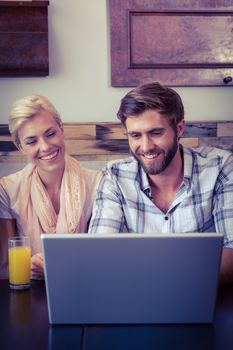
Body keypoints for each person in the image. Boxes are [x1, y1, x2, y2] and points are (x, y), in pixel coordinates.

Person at [88, 81, 233, 285]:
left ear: (179, 128)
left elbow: (231, 251)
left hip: (206, 301)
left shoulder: (220, 167)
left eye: (156, 133)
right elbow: (99, 253)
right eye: (135, 135)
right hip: (136, 302)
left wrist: (169, 282)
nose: (146, 147)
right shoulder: (114, 176)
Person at [0, 95, 100, 280]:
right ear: (19, 145)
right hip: (28, 292)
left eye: (50, 134)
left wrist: (56, 270)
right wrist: (28, 268)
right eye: (31, 141)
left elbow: (102, 257)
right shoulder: (7, 189)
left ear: (61, 130)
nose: (45, 147)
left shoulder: (98, 183)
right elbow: (6, 267)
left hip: (84, 286)